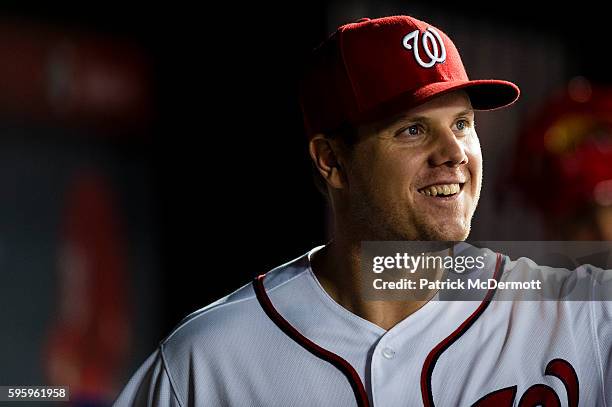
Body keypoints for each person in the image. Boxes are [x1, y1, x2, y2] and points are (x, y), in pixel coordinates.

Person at [114, 15, 611, 406]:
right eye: (412, 130)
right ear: (331, 160)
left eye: (461, 123)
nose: (454, 153)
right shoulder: (208, 361)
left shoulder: (580, 315)